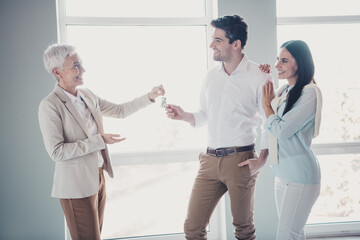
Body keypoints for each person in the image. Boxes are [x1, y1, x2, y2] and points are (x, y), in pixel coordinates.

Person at [38, 44, 165, 240]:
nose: (83, 71)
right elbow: (57, 152)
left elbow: (121, 110)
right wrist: (99, 141)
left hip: (97, 177)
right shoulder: (50, 105)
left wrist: (149, 97)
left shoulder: (87, 95)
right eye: (76, 66)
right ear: (57, 72)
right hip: (75, 186)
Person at [165, 15, 271, 240]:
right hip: (209, 161)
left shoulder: (259, 76)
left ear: (236, 44)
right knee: (192, 228)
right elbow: (204, 115)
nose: (212, 45)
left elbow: (269, 122)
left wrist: (261, 160)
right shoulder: (210, 77)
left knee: (244, 229)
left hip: (240, 160)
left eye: (218, 40)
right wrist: (184, 115)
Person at [260, 40, 322, 239]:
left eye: (284, 61)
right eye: (278, 59)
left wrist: (267, 107)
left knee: (287, 235)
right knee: (294, 234)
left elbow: (282, 130)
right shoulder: (284, 91)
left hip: (300, 177)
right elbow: (269, 126)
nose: (277, 65)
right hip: (282, 174)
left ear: (300, 64)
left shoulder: (309, 93)